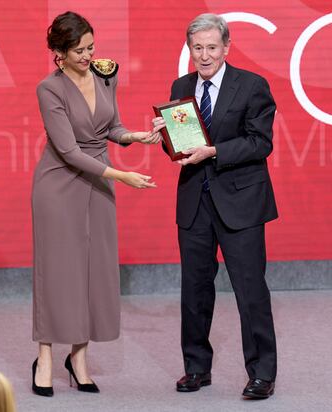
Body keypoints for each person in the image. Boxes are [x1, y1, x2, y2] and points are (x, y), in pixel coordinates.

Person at [32, 11, 160, 397]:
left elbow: (111, 127)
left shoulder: (106, 74)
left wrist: (135, 136)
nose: (88, 55)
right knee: (58, 274)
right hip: (59, 186)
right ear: (59, 52)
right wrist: (122, 175)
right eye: (79, 50)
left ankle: (80, 359)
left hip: (99, 182)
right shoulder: (48, 89)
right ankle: (46, 358)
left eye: (91, 47)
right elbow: (69, 150)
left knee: (93, 272)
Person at [152, 13, 278, 399]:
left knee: (250, 290)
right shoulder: (181, 85)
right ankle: (195, 368)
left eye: (211, 47)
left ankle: (262, 374)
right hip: (194, 201)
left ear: (226, 47)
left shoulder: (253, 85)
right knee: (194, 290)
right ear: (189, 49)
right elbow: (181, 147)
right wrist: (165, 138)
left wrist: (215, 151)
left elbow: (260, 143)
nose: (204, 55)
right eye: (197, 48)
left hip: (240, 202)